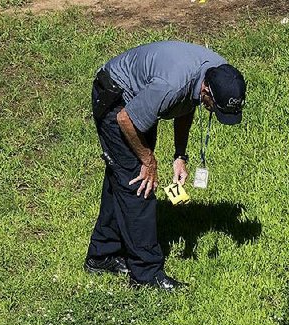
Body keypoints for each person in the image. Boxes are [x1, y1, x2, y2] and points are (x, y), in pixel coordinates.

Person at [84, 41, 247, 291]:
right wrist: (149, 161)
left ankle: (101, 255)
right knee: (139, 185)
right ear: (207, 90)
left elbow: (185, 106)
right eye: (215, 108)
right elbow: (125, 119)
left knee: (122, 177)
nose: (213, 112)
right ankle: (146, 274)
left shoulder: (217, 71)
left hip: (141, 97)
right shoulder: (172, 85)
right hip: (116, 99)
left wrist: (179, 156)